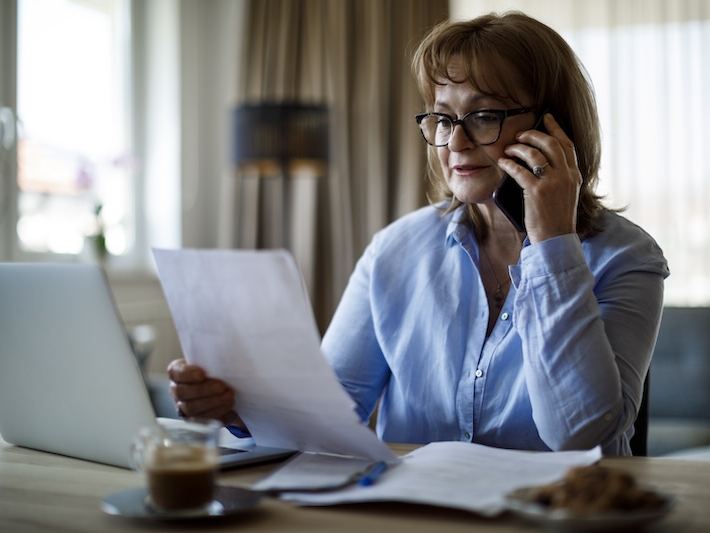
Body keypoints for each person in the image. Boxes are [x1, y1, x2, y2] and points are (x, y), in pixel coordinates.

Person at [168, 11, 669, 456]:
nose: (455, 141)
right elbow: (329, 414)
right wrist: (238, 412)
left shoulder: (626, 257)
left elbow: (580, 436)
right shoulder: (395, 250)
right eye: (443, 117)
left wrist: (552, 242)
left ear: (553, 128)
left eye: (483, 115)